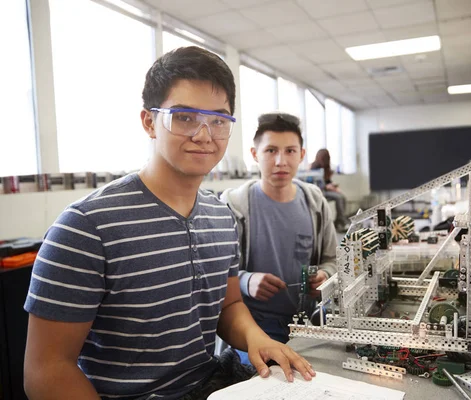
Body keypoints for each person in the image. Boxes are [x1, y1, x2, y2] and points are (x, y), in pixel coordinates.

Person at [23, 47, 314, 400]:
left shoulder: (220, 215)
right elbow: (47, 370)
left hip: (212, 387)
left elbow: (228, 305)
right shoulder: (85, 227)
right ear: (149, 121)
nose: (205, 135)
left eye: (219, 120)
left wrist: (258, 339)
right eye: (185, 117)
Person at [220, 113, 337, 362]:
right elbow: (215, 275)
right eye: (271, 150)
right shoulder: (234, 205)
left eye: (290, 151)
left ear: (302, 155)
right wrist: (245, 281)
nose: (281, 161)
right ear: (255, 154)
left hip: (307, 323)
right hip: (253, 326)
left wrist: (325, 276)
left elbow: (333, 259)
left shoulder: (314, 201)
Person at [310, 148, 350, 231]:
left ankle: (339, 220)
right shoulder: (314, 167)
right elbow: (314, 184)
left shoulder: (326, 167)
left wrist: (333, 187)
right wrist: (327, 187)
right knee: (339, 197)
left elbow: (327, 181)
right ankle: (342, 221)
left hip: (326, 190)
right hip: (319, 191)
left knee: (342, 196)